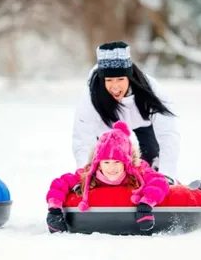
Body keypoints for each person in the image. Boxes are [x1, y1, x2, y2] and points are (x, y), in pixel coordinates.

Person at [72, 41, 180, 184]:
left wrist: (167, 175)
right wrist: (85, 174)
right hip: (108, 128)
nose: (115, 87)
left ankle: (152, 185)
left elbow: (168, 134)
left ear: (129, 77)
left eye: (120, 79)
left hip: (144, 123)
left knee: (152, 158)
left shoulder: (151, 90)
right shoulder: (92, 95)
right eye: (109, 80)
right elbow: (82, 138)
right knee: (108, 161)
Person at [46, 121, 170, 234]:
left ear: (126, 163)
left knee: (166, 180)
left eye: (117, 162)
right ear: (98, 165)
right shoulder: (89, 173)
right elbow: (60, 183)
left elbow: (158, 181)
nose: (112, 168)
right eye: (106, 162)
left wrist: (146, 204)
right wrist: (54, 210)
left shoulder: (138, 171)